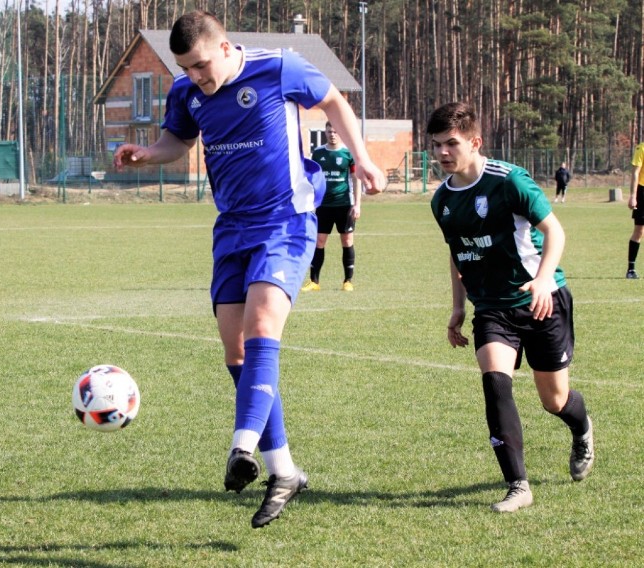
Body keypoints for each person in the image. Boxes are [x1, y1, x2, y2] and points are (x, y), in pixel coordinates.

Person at [114, 11, 385, 528]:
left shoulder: (279, 68)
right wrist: (148, 155)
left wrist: (364, 158)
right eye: (185, 68)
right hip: (232, 227)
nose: (195, 76)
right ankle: (285, 470)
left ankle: (242, 447)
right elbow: (179, 141)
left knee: (263, 328)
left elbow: (334, 101)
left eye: (199, 65)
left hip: (286, 220)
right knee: (235, 349)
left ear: (225, 47)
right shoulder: (186, 93)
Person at [427, 102, 595, 513]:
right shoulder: (442, 200)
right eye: (436, 146)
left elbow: (554, 231)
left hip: (541, 301)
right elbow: (458, 252)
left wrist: (542, 280)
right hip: (492, 309)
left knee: (554, 400)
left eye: (451, 143)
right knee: (495, 382)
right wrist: (457, 308)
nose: (443, 153)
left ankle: (582, 428)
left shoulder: (509, 181)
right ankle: (518, 485)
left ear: (475, 142)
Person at [301, 121, 366, 292]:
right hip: (324, 205)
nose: (332, 134)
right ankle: (314, 282)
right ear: (325, 132)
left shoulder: (347, 154)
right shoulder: (318, 153)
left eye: (335, 131)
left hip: (344, 205)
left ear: (340, 133)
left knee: (347, 241)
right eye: (329, 131)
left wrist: (357, 204)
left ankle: (348, 281)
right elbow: (312, 179)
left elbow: (356, 179)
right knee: (319, 241)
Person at [626, 141, 644, 279]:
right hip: (642, 191)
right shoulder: (641, 148)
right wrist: (633, 195)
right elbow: (635, 173)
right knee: (639, 230)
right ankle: (631, 269)